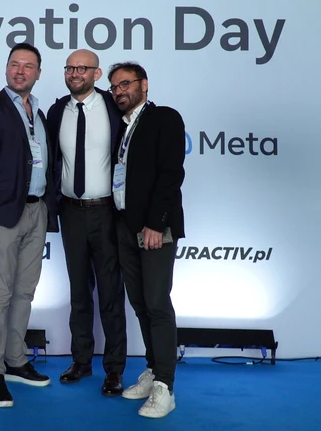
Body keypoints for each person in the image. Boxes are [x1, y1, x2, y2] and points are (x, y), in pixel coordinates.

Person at [0, 42, 59, 408]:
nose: (20, 71)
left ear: (38, 73)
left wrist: (47, 208)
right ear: (6, 69)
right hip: (1, 216)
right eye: (14, 64)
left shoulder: (40, 113)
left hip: (37, 212)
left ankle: (16, 360)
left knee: (24, 293)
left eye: (28, 66)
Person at [106, 61, 186, 419]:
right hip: (125, 225)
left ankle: (165, 386)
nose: (119, 91)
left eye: (125, 84)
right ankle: (153, 369)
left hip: (154, 228)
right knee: (139, 302)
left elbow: (171, 175)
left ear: (144, 84)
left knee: (156, 302)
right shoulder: (122, 127)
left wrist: (156, 223)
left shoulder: (164, 118)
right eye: (114, 87)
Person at [46, 49, 127, 397]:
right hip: (71, 212)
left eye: (82, 68)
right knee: (79, 292)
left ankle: (114, 369)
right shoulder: (56, 112)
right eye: (70, 68)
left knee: (111, 294)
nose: (75, 73)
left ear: (97, 74)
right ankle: (81, 361)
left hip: (107, 212)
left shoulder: (115, 108)